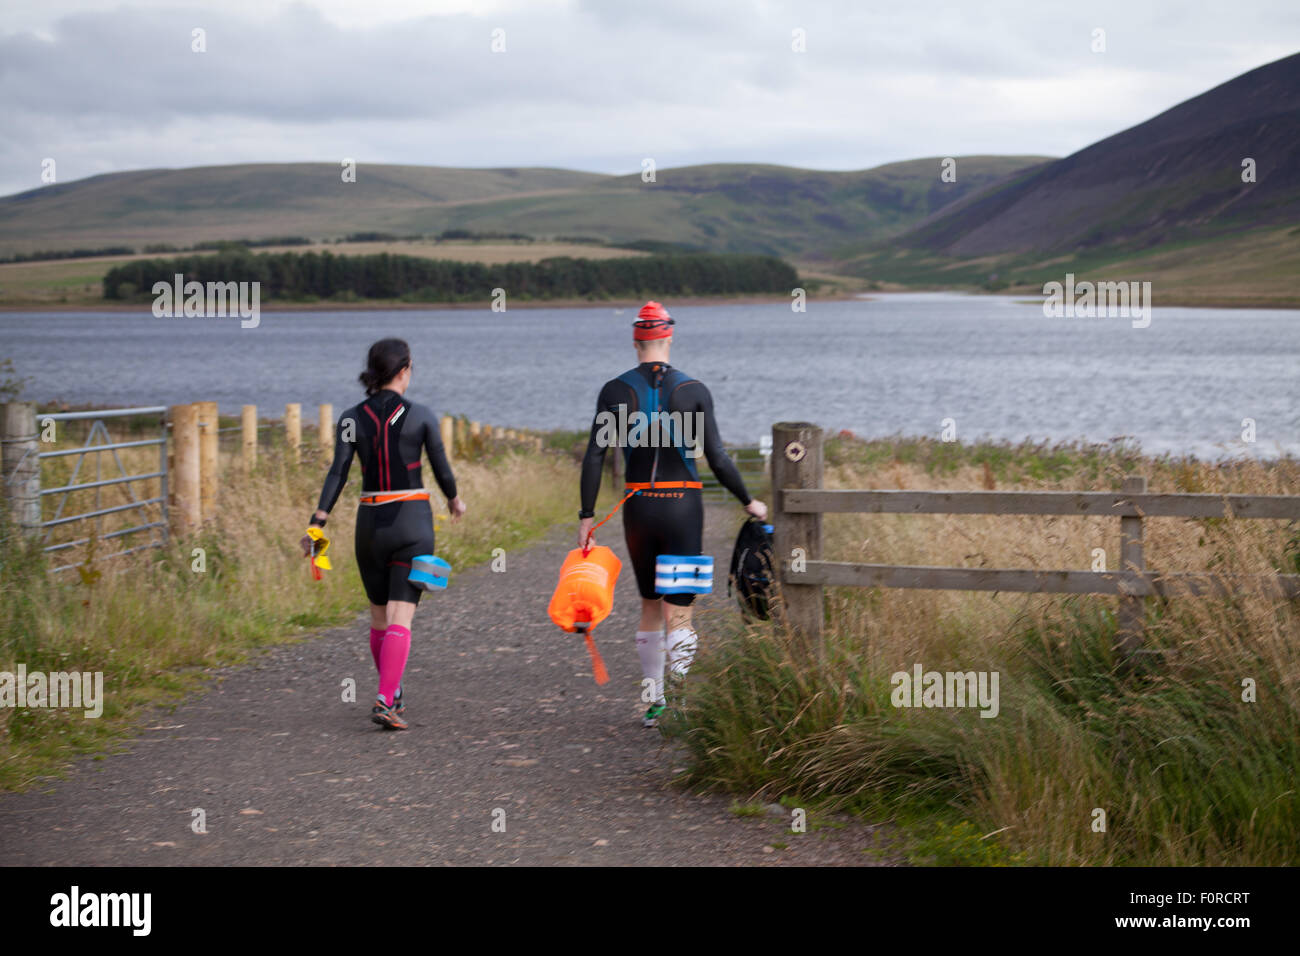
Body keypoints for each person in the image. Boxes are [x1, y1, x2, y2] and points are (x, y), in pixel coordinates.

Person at [579, 301, 766, 727]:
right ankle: (679, 705)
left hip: (638, 505)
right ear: (669, 337)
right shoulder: (694, 390)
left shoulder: (614, 391)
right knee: (679, 609)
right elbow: (716, 456)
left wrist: (586, 517)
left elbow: (595, 456)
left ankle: (654, 703)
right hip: (683, 505)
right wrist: (747, 500)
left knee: (649, 605)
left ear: (635, 340)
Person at [302, 338, 466, 730]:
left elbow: (338, 472)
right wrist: (455, 500)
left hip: (370, 524)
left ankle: (391, 691)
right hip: (412, 520)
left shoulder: (349, 418)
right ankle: (384, 698)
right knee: (401, 617)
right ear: (405, 369)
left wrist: (318, 520)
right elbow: (442, 468)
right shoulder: (422, 415)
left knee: (379, 617)